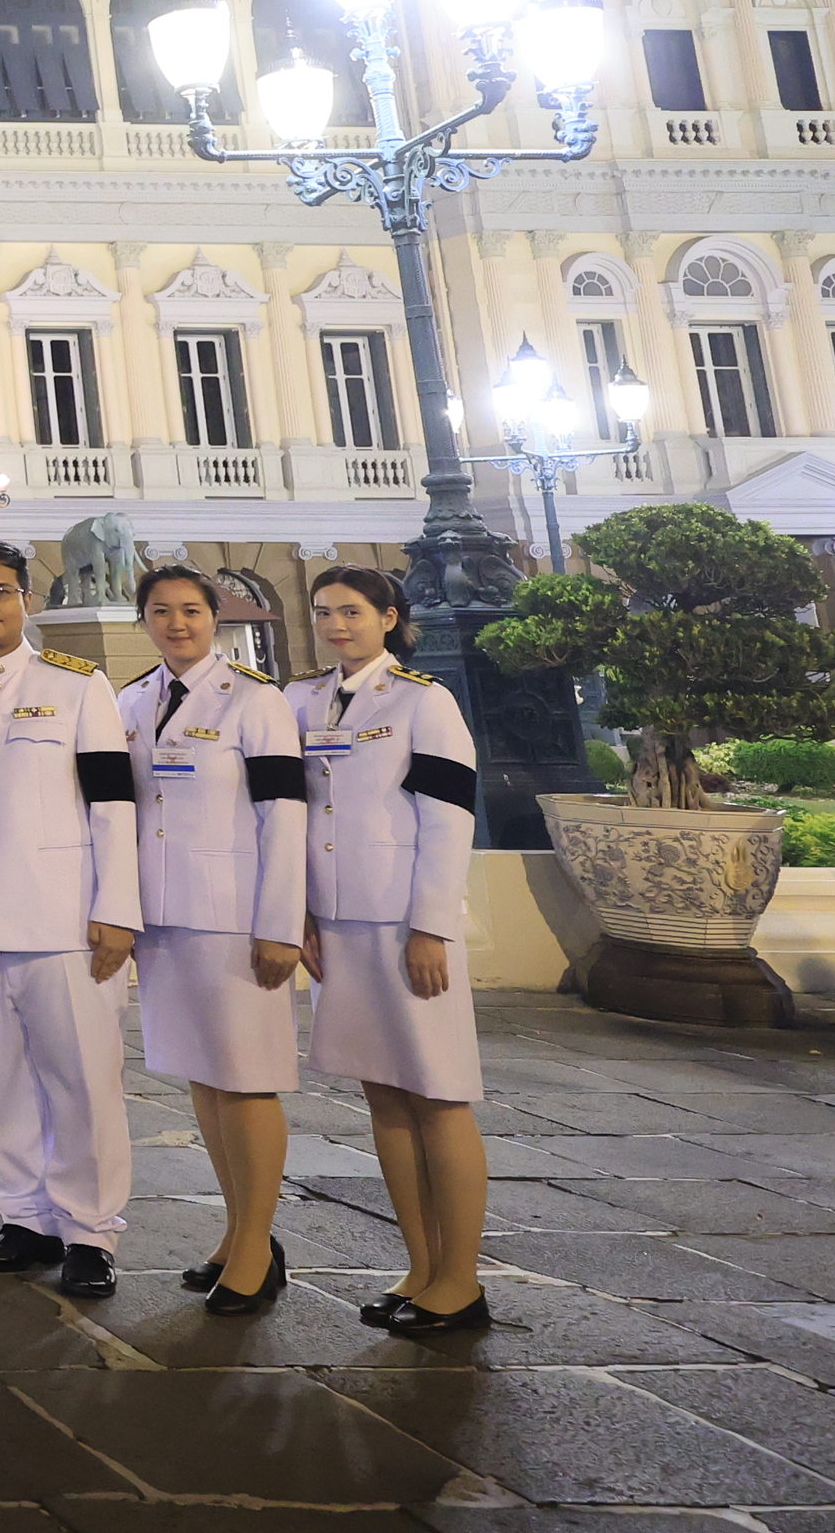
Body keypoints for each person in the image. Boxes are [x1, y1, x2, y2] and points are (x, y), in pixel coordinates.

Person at [0, 535, 138, 1299]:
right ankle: (25, 1216)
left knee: (81, 1078)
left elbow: (112, 805)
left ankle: (90, 1231)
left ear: (26, 600)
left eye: (1, 591)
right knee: (0, 1079)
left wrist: (117, 908)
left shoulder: (78, 686)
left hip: (61, 917)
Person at [289, 564, 487, 1334]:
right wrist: (299, 911)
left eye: (352, 612)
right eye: (324, 612)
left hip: (406, 926)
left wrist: (433, 924)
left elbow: (447, 820)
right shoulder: (302, 701)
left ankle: (461, 1279)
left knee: (438, 1095)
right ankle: (419, 1263)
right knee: (383, 1095)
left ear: (389, 617)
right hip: (339, 926)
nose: (337, 625)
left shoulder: (423, 702)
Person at [115, 563, 307, 1313]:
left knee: (248, 1079)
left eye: (191, 611)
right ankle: (239, 1232)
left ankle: (257, 1248)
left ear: (215, 617)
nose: (177, 624)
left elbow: (285, 815)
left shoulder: (255, 703)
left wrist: (280, 923)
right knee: (205, 1078)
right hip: (165, 918)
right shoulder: (132, 700)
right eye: (161, 612)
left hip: (235, 916)